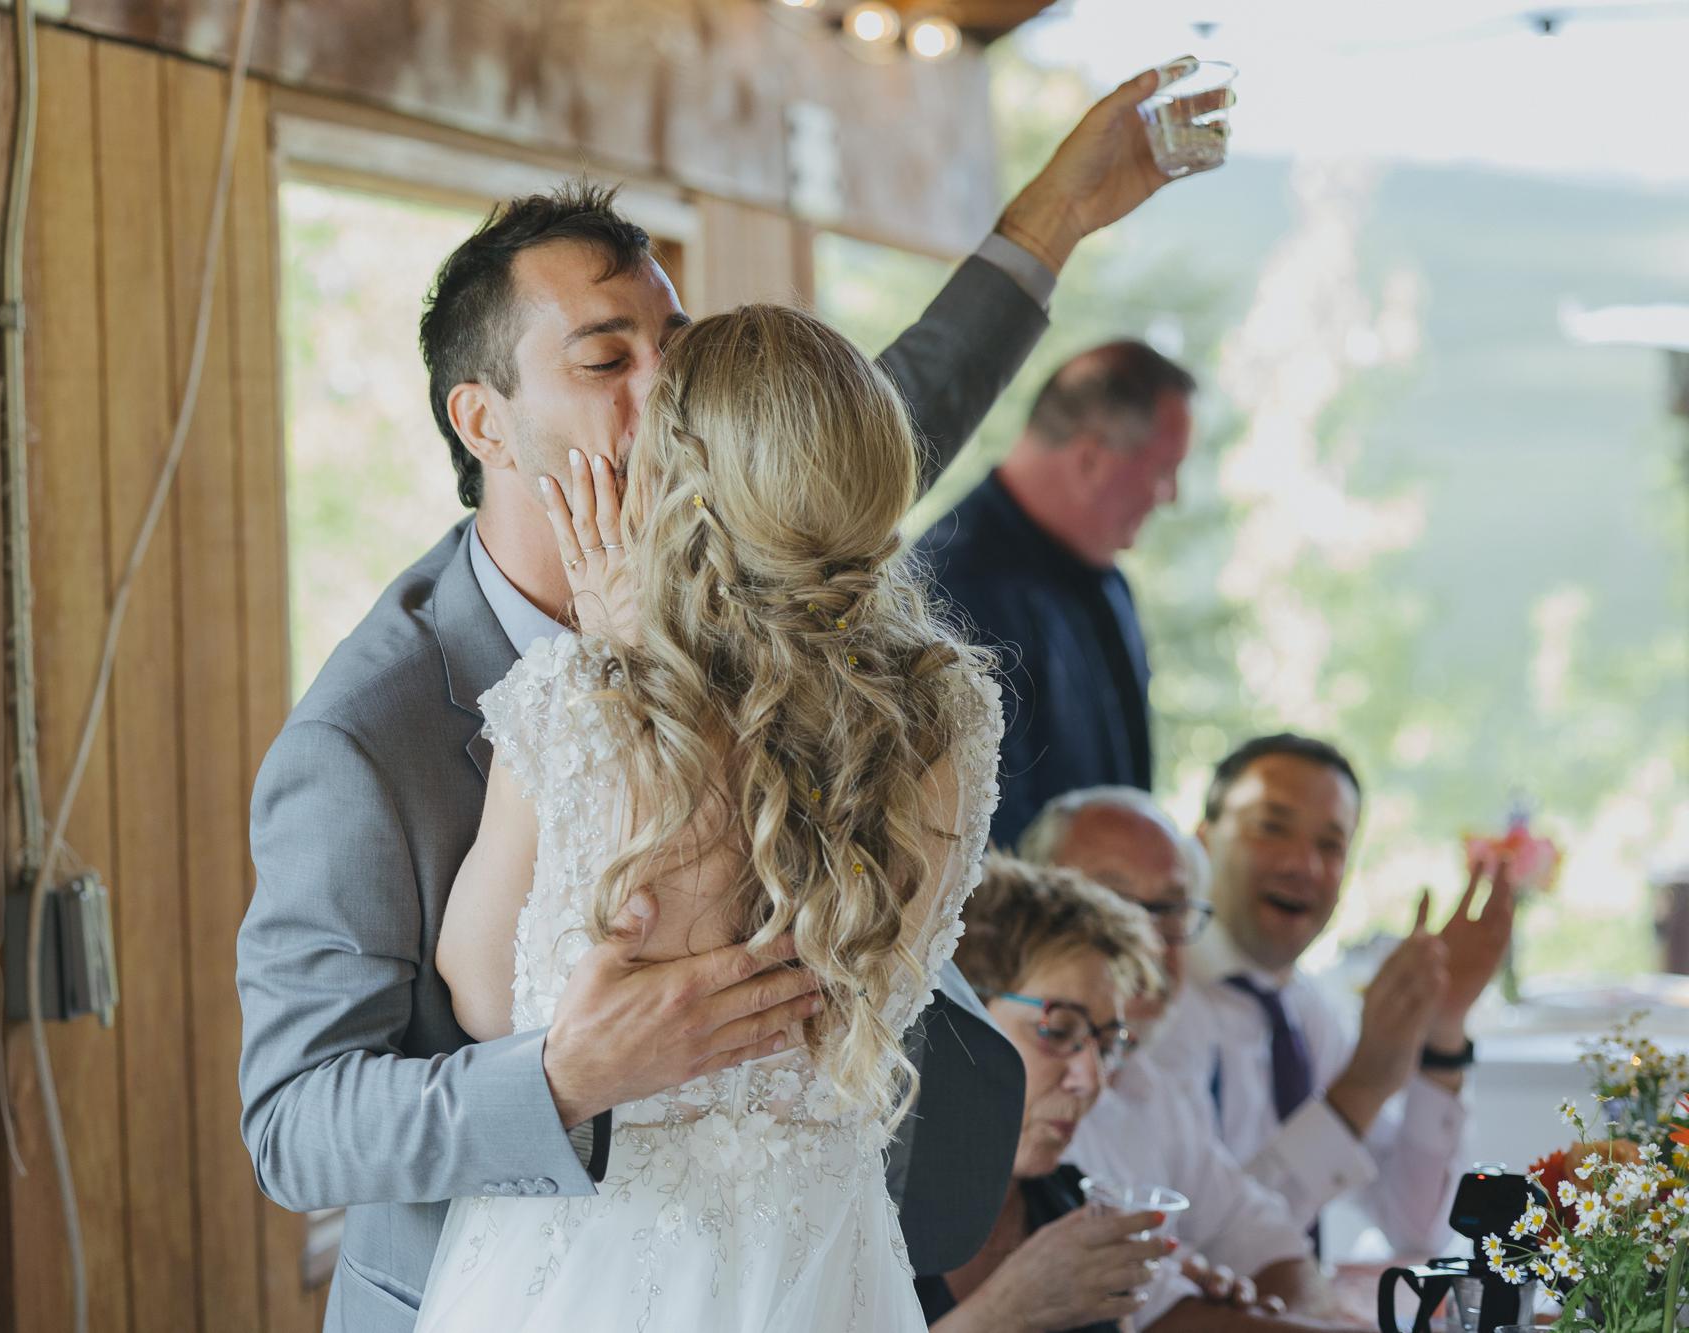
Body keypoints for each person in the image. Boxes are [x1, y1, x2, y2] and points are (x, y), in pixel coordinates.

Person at [237, 64, 1227, 1333]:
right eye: (607, 360)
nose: (668, 397)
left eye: (680, 352)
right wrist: (558, 1076)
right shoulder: (366, 734)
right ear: (484, 421)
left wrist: (1055, 217)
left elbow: (886, 415)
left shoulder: (768, 543)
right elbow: (294, 1126)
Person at [412, 303, 1002, 1331]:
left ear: (673, 483)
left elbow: (480, 992)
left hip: (581, 1273)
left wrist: (613, 662)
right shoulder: (948, 713)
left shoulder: (575, 706)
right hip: (827, 1261)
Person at [1145, 734, 1516, 1255]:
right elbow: (1200, 1248)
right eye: (1271, 828)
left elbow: (1418, 1227)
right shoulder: (1156, 1008)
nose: (1304, 865)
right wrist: (1361, 1089)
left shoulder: (1308, 1010)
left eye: (1330, 844)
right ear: (1204, 842)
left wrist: (1444, 1032)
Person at [1021, 787, 1362, 1332]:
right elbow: (1156, 1317)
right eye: (1114, 905)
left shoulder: (1149, 1080)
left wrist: (1271, 1313)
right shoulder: (1028, 1088)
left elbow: (1264, 1238)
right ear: (1031, 914)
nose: (1151, 941)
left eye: (1172, 910)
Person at [915, 340, 1195, 849]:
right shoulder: (949, 590)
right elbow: (974, 846)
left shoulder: (1106, 580)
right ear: (1091, 460)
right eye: (1163, 471)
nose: (1171, 496)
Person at [925, 857, 1175, 1331]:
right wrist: (1006, 1312)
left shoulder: (1072, 1211)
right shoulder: (860, 1209)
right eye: (1058, 1030)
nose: (1092, 1080)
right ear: (956, 1018)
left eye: (1105, 1045)